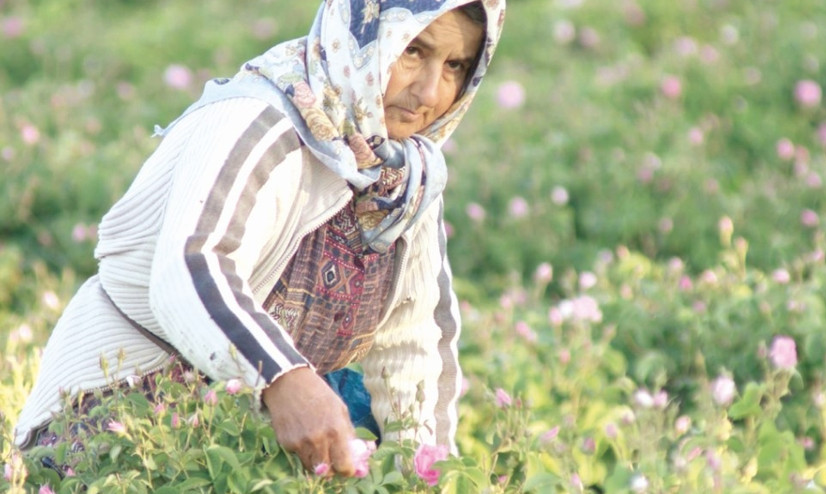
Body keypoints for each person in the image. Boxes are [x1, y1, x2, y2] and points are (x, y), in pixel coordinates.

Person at [14, 0, 506, 478]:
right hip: (125, 421)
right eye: (414, 51)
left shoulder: (407, 177)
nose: (428, 92)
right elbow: (192, 267)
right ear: (364, 32)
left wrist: (423, 476)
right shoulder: (258, 121)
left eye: (455, 65)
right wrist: (282, 378)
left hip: (264, 430)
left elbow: (414, 346)